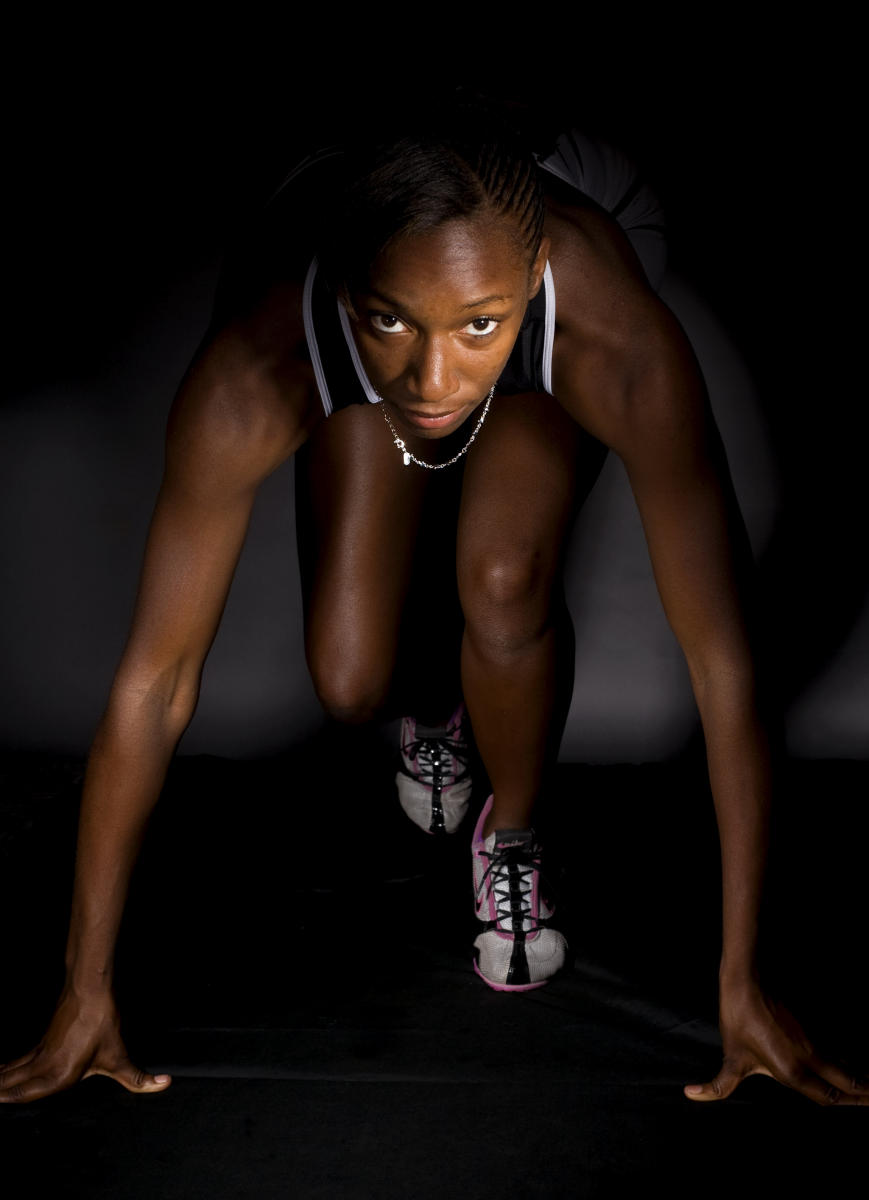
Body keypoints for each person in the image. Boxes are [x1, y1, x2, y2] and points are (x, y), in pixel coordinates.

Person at [1, 99, 864, 1107]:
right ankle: (440, 700)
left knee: (502, 581)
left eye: (478, 330)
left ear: (530, 285)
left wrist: (741, 985)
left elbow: (725, 666)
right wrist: (82, 993)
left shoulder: (609, 334)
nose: (432, 379)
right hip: (380, 228)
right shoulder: (261, 356)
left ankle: (512, 833)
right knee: (349, 674)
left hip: (554, 224)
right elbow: (153, 683)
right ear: (350, 296)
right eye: (390, 324)